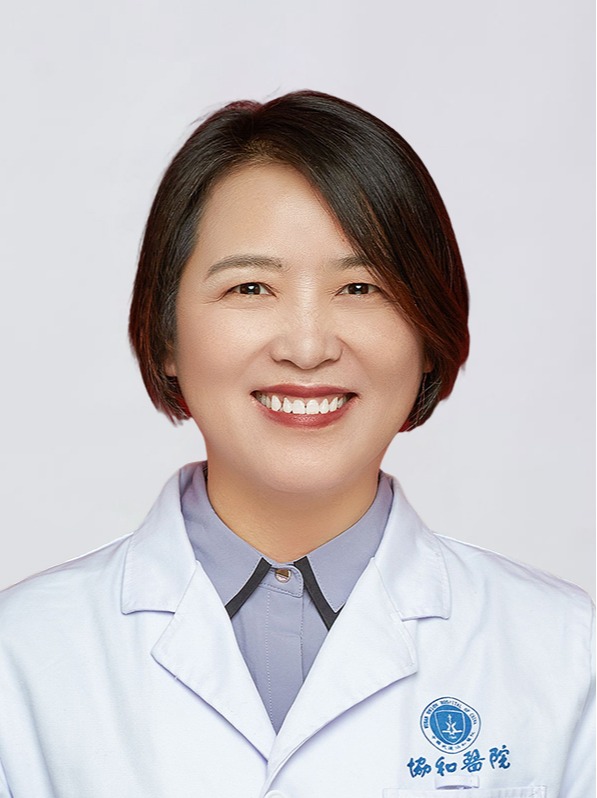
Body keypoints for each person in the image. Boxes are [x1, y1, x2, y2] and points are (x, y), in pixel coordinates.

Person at [0, 91, 592, 797]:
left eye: (362, 288)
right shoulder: (22, 657)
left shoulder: (566, 655)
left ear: (429, 337)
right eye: (251, 287)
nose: (308, 347)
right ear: (165, 337)